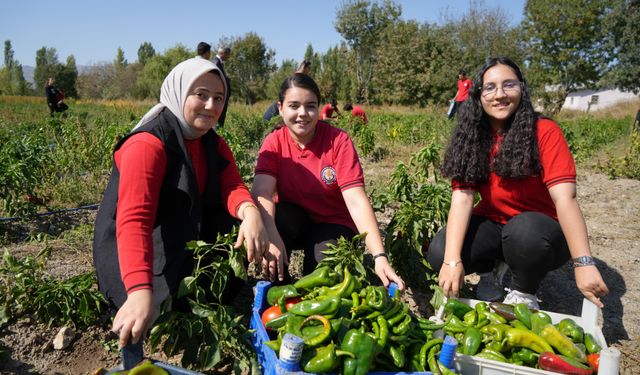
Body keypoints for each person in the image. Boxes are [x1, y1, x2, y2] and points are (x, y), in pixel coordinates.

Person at [93, 58, 268, 348]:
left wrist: (250, 211)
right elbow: (135, 219)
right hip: (140, 242)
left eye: (219, 98)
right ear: (179, 92)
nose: (211, 106)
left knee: (235, 225)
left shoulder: (212, 142)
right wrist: (138, 289)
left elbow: (232, 186)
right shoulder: (148, 144)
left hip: (184, 233)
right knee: (156, 309)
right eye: (201, 95)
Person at [427, 57, 609, 310]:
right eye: (490, 87)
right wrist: (451, 261)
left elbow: (565, 199)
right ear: (478, 95)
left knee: (524, 232)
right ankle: (491, 272)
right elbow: (463, 197)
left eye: (508, 85)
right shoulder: (473, 136)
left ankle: (524, 290)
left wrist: (584, 263)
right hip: (495, 224)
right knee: (440, 251)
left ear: (522, 89)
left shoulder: (544, 131)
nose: (499, 94)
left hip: (540, 231)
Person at [252, 73, 405, 291]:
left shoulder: (338, 141)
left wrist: (379, 256)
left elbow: (356, 201)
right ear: (280, 108)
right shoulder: (274, 142)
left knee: (320, 279)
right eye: (294, 106)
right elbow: (262, 192)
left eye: (311, 106)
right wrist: (271, 236)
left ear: (319, 108)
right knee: (276, 218)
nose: (302, 114)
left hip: (333, 223)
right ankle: (279, 287)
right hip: (297, 221)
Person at [213, 46, 231, 127]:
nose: (228, 57)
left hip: (221, 96)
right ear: (223, 53)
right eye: (228, 55)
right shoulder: (216, 63)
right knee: (219, 120)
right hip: (219, 96)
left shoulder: (219, 63)